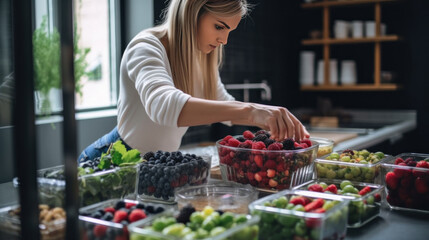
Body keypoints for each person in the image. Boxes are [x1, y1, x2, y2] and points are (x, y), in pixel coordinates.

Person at [78, 0, 309, 163]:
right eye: (219, 27)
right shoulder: (146, 47)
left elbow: (224, 106)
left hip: (156, 164)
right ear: (192, 11)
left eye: (230, 31)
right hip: (110, 159)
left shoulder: (199, 57)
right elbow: (164, 106)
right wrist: (252, 111)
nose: (224, 40)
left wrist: (272, 122)